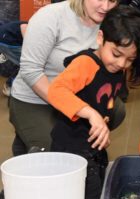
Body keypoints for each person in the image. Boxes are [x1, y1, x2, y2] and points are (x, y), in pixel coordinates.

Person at [47, 5, 140, 199]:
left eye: (130, 60)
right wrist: (90, 114)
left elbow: (108, 99)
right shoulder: (86, 64)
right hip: (71, 146)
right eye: (116, 54)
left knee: (101, 189)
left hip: (93, 146)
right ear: (100, 38)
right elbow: (56, 91)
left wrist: (102, 121)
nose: (121, 64)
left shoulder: (116, 67)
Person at [8, 0, 123, 156]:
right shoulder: (50, 17)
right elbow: (31, 71)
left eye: (112, 1)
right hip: (34, 99)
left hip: (77, 95)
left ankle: (34, 136)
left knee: (116, 110)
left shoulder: (110, 21)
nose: (105, 7)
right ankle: (31, 134)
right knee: (56, 152)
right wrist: (81, 109)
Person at [0, 21, 27, 96]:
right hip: (8, 41)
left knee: (24, 64)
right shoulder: (33, 25)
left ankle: (10, 86)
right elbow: (23, 26)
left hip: (5, 40)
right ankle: (9, 85)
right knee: (27, 64)